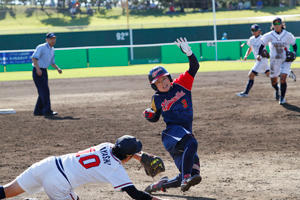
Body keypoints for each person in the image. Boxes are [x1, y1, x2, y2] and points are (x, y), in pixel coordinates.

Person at [0, 135, 166, 200]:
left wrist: (140, 157)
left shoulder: (106, 145)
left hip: (47, 165)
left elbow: (123, 151)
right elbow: (135, 194)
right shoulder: (116, 171)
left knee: (6, 191)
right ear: (128, 157)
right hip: (59, 183)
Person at [143, 37, 201, 193]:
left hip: (183, 134)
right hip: (172, 134)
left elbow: (194, 67)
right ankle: (185, 178)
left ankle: (160, 185)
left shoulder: (181, 84)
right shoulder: (157, 98)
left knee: (194, 173)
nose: (163, 82)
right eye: (158, 82)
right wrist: (149, 115)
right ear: (154, 86)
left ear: (169, 77)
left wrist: (189, 53)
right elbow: (154, 117)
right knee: (192, 143)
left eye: (164, 78)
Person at [257, 17, 297, 105]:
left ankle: (282, 98)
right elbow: (262, 45)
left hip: (286, 60)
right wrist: (259, 54)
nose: (276, 26)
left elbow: (294, 45)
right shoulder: (269, 35)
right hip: (274, 61)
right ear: (273, 26)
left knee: (283, 79)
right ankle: (278, 88)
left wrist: (294, 52)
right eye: (275, 24)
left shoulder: (287, 35)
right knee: (273, 81)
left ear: (282, 25)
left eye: (278, 24)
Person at [32, 32, 62, 117]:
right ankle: (47, 111)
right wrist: (38, 69)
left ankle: (37, 111)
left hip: (44, 71)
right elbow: (34, 58)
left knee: (42, 92)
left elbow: (52, 63)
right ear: (47, 40)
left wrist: (58, 68)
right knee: (45, 92)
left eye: (54, 39)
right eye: (51, 39)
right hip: (38, 71)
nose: (53, 40)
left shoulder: (52, 49)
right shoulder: (41, 47)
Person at [236, 24, 270, 97]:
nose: (254, 31)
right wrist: (246, 55)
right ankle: (280, 83)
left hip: (262, 59)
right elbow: (250, 48)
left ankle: (245, 93)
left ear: (259, 31)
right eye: (252, 30)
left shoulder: (262, 38)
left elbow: (270, 44)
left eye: (255, 30)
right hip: (259, 60)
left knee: (251, 75)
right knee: (269, 75)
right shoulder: (251, 39)